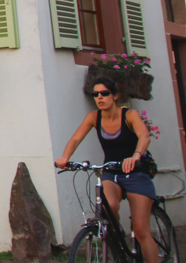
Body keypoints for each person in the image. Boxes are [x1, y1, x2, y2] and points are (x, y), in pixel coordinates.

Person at [56, 77, 158, 262]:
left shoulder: (129, 115)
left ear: (115, 96)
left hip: (136, 173)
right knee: (107, 206)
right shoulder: (94, 117)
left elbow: (144, 136)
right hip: (112, 172)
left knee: (141, 230)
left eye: (104, 93)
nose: (99, 97)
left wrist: (135, 156)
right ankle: (116, 233)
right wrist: (65, 158)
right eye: (96, 94)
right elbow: (76, 139)